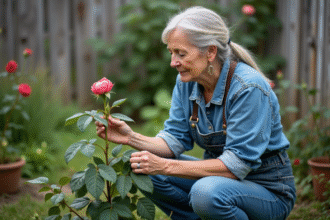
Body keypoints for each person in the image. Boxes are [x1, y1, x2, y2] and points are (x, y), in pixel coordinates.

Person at [96, 6, 296, 220]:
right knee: (139, 166)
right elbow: (174, 140)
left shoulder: (248, 89)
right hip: (219, 183)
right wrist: (130, 137)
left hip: (266, 192)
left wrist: (164, 166)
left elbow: (235, 166)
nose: (173, 63)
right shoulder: (188, 81)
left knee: (205, 193)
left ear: (210, 52)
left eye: (181, 54)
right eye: (172, 53)